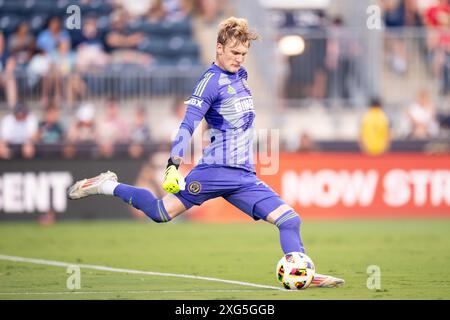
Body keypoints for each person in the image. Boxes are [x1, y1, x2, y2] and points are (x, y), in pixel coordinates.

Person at [67, 17, 343, 288]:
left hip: (244, 175)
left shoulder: (241, 76)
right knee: (161, 213)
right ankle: (107, 185)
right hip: (215, 171)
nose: (239, 58)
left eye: (244, 53)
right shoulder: (209, 82)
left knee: (290, 220)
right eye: (235, 52)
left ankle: (302, 273)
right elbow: (188, 123)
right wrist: (173, 164)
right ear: (219, 48)